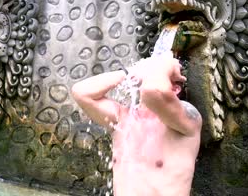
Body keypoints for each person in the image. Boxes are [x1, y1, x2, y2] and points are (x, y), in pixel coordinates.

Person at [71, 52, 202, 196]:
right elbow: (81, 92)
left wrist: (167, 63)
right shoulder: (122, 119)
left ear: (175, 89)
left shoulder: (187, 119)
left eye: (153, 74)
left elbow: (154, 91)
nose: (148, 77)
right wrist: (131, 73)